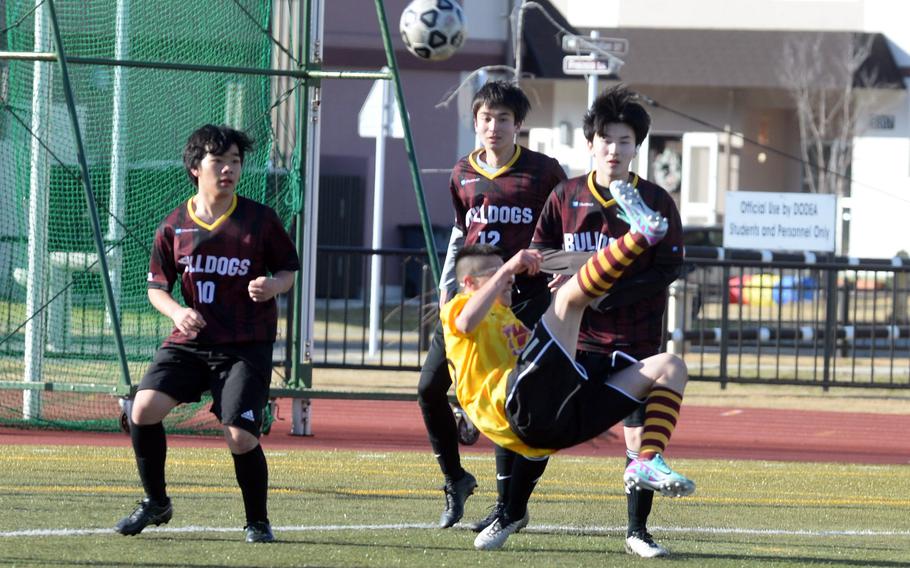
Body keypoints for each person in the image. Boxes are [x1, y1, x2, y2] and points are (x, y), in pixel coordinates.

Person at [441, 181, 694, 551]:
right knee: (569, 300)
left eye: (505, 272)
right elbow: (466, 325)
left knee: (670, 366)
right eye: (496, 273)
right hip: (516, 410)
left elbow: (543, 359)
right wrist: (512, 268)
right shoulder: (459, 308)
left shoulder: (510, 319)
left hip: (546, 429)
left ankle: (647, 461)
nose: (508, 278)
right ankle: (642, 233)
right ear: (469, 283)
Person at [114, 125, 300, 543]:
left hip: (244, 345)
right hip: (192, 343)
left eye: (236, 161)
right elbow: (156, 289)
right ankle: (156, 501)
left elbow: (288, 270)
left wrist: (274, 285)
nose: (229, 169)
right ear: (196, 168)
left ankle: (257, 521)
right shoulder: (175, 225)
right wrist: (179, 312)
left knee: (238, 435)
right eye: (220, 161)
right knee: (142, 409)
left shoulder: (259, 220)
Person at [532, 84, 684, 558]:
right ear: (590, 143)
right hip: (577, 340)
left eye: (624, 141)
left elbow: (668, 267)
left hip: (636, 336)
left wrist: (611, 294)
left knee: (640, 440)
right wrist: (575, 278)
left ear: (636, 146)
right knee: (537, 425)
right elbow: (541, 254)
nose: (614, 149)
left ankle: (638, 532)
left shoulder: (658, 198)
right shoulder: (565, 195)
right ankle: (508, 509)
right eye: (607, 139)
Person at [417, 80, 566, 529]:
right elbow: (460, 234)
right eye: (486, 118)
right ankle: (455, 479)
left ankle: (506, 508)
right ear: (475, 122)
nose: (494, 126)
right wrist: (447, 287)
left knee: (510, 398)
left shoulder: (544, 172)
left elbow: (566, 227)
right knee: (428, 387)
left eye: (503, 118)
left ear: (518, 124)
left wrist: (567, 270)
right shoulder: (462, 171)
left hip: (524, 301)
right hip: (473, 300)